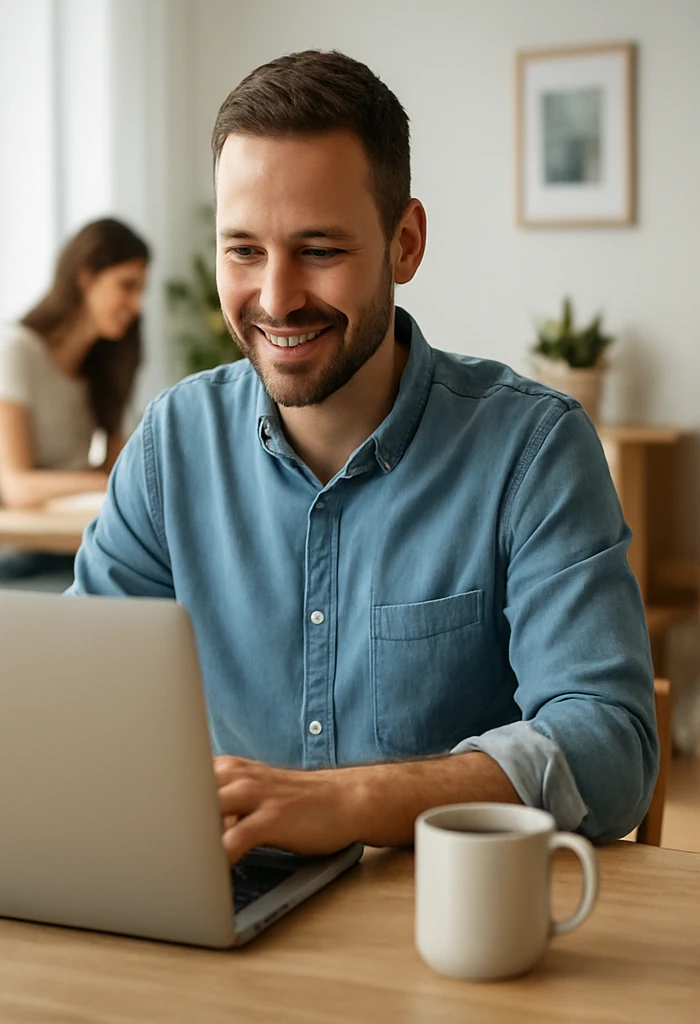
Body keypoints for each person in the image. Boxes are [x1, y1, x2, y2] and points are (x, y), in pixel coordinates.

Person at [69, 50, 658, 860]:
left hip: (452, 928)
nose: (275, 299)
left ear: (405, 243)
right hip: (223, 916)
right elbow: (78, 700)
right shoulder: (173, 446)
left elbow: (611, 751)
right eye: (243, 249)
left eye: (318, 249)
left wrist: (346, 802)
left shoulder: (533, 450)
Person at [0, 218, 147, 509]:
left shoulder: (105, 365)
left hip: (78, 533)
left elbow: (113, 467)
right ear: (86, 276)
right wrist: (101, 483)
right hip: (25, 543)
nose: (137, 305)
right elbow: (15, 487)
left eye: (141, 289)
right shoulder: (16, 350)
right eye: (127, 285)